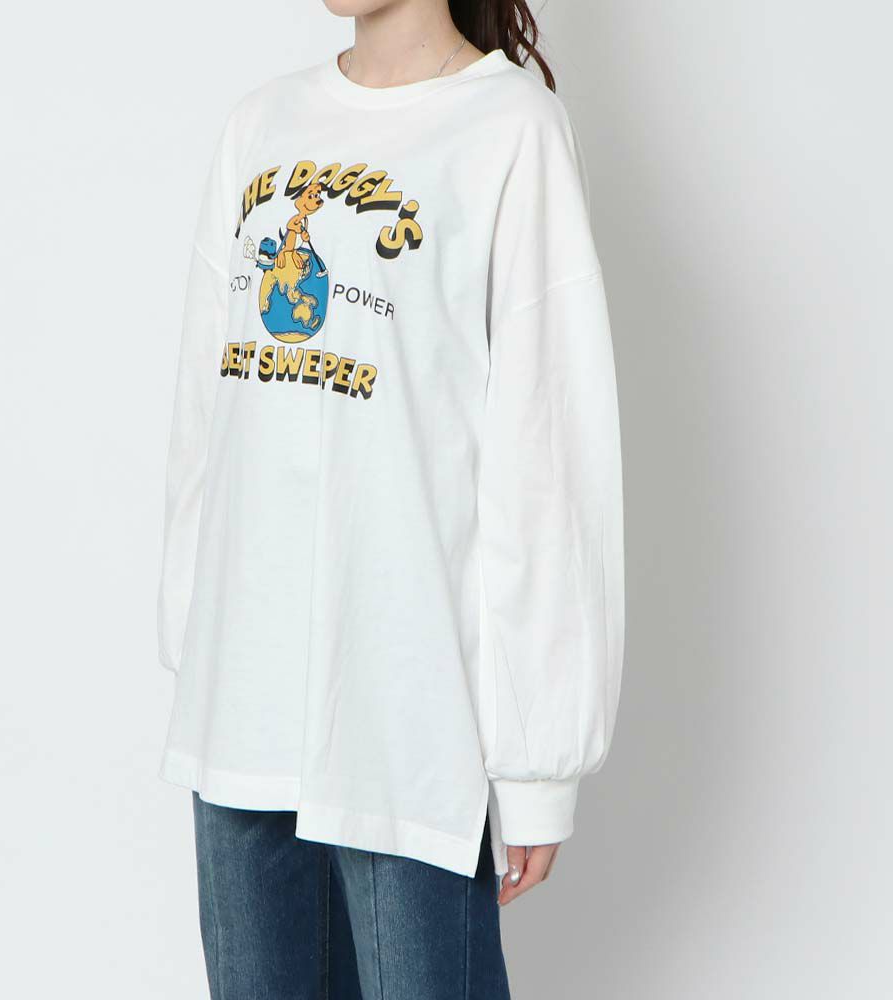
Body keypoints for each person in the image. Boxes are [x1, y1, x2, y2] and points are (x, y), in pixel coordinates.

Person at [157, 1, 625, 996]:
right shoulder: (260, 123)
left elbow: (544, 458)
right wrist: (191, 633)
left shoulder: (510, 130)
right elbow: (206, 409)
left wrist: (537, 765)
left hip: (408, 713)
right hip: (241, 701)